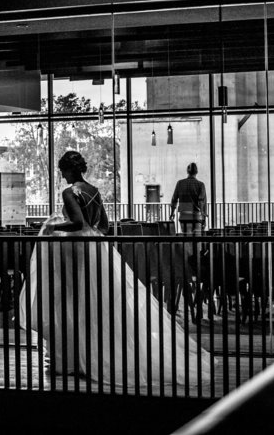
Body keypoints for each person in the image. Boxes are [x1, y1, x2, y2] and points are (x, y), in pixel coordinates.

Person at [19, 151, 212, 387]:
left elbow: (77, 223)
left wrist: (51, 227)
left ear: (70, 170)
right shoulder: (94, 191)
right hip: (95, 247)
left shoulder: (70, 192)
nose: (62, 175)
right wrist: (92, 234)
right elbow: (105, 226)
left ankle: (73, 357)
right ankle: (94, 351)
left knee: (71, 301)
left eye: (62, 171)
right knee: (97, 301)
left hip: (75, 249)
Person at [169, 162, 207, 235]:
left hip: (184, 216)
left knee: (186, 240)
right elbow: (201, 202)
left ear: (187, 171)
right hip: (196, 216)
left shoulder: (180, 183)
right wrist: (203, 218)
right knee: (196, 241)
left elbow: (174, 199)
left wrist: (172, 213)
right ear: (197, 172)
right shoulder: (200, 185)